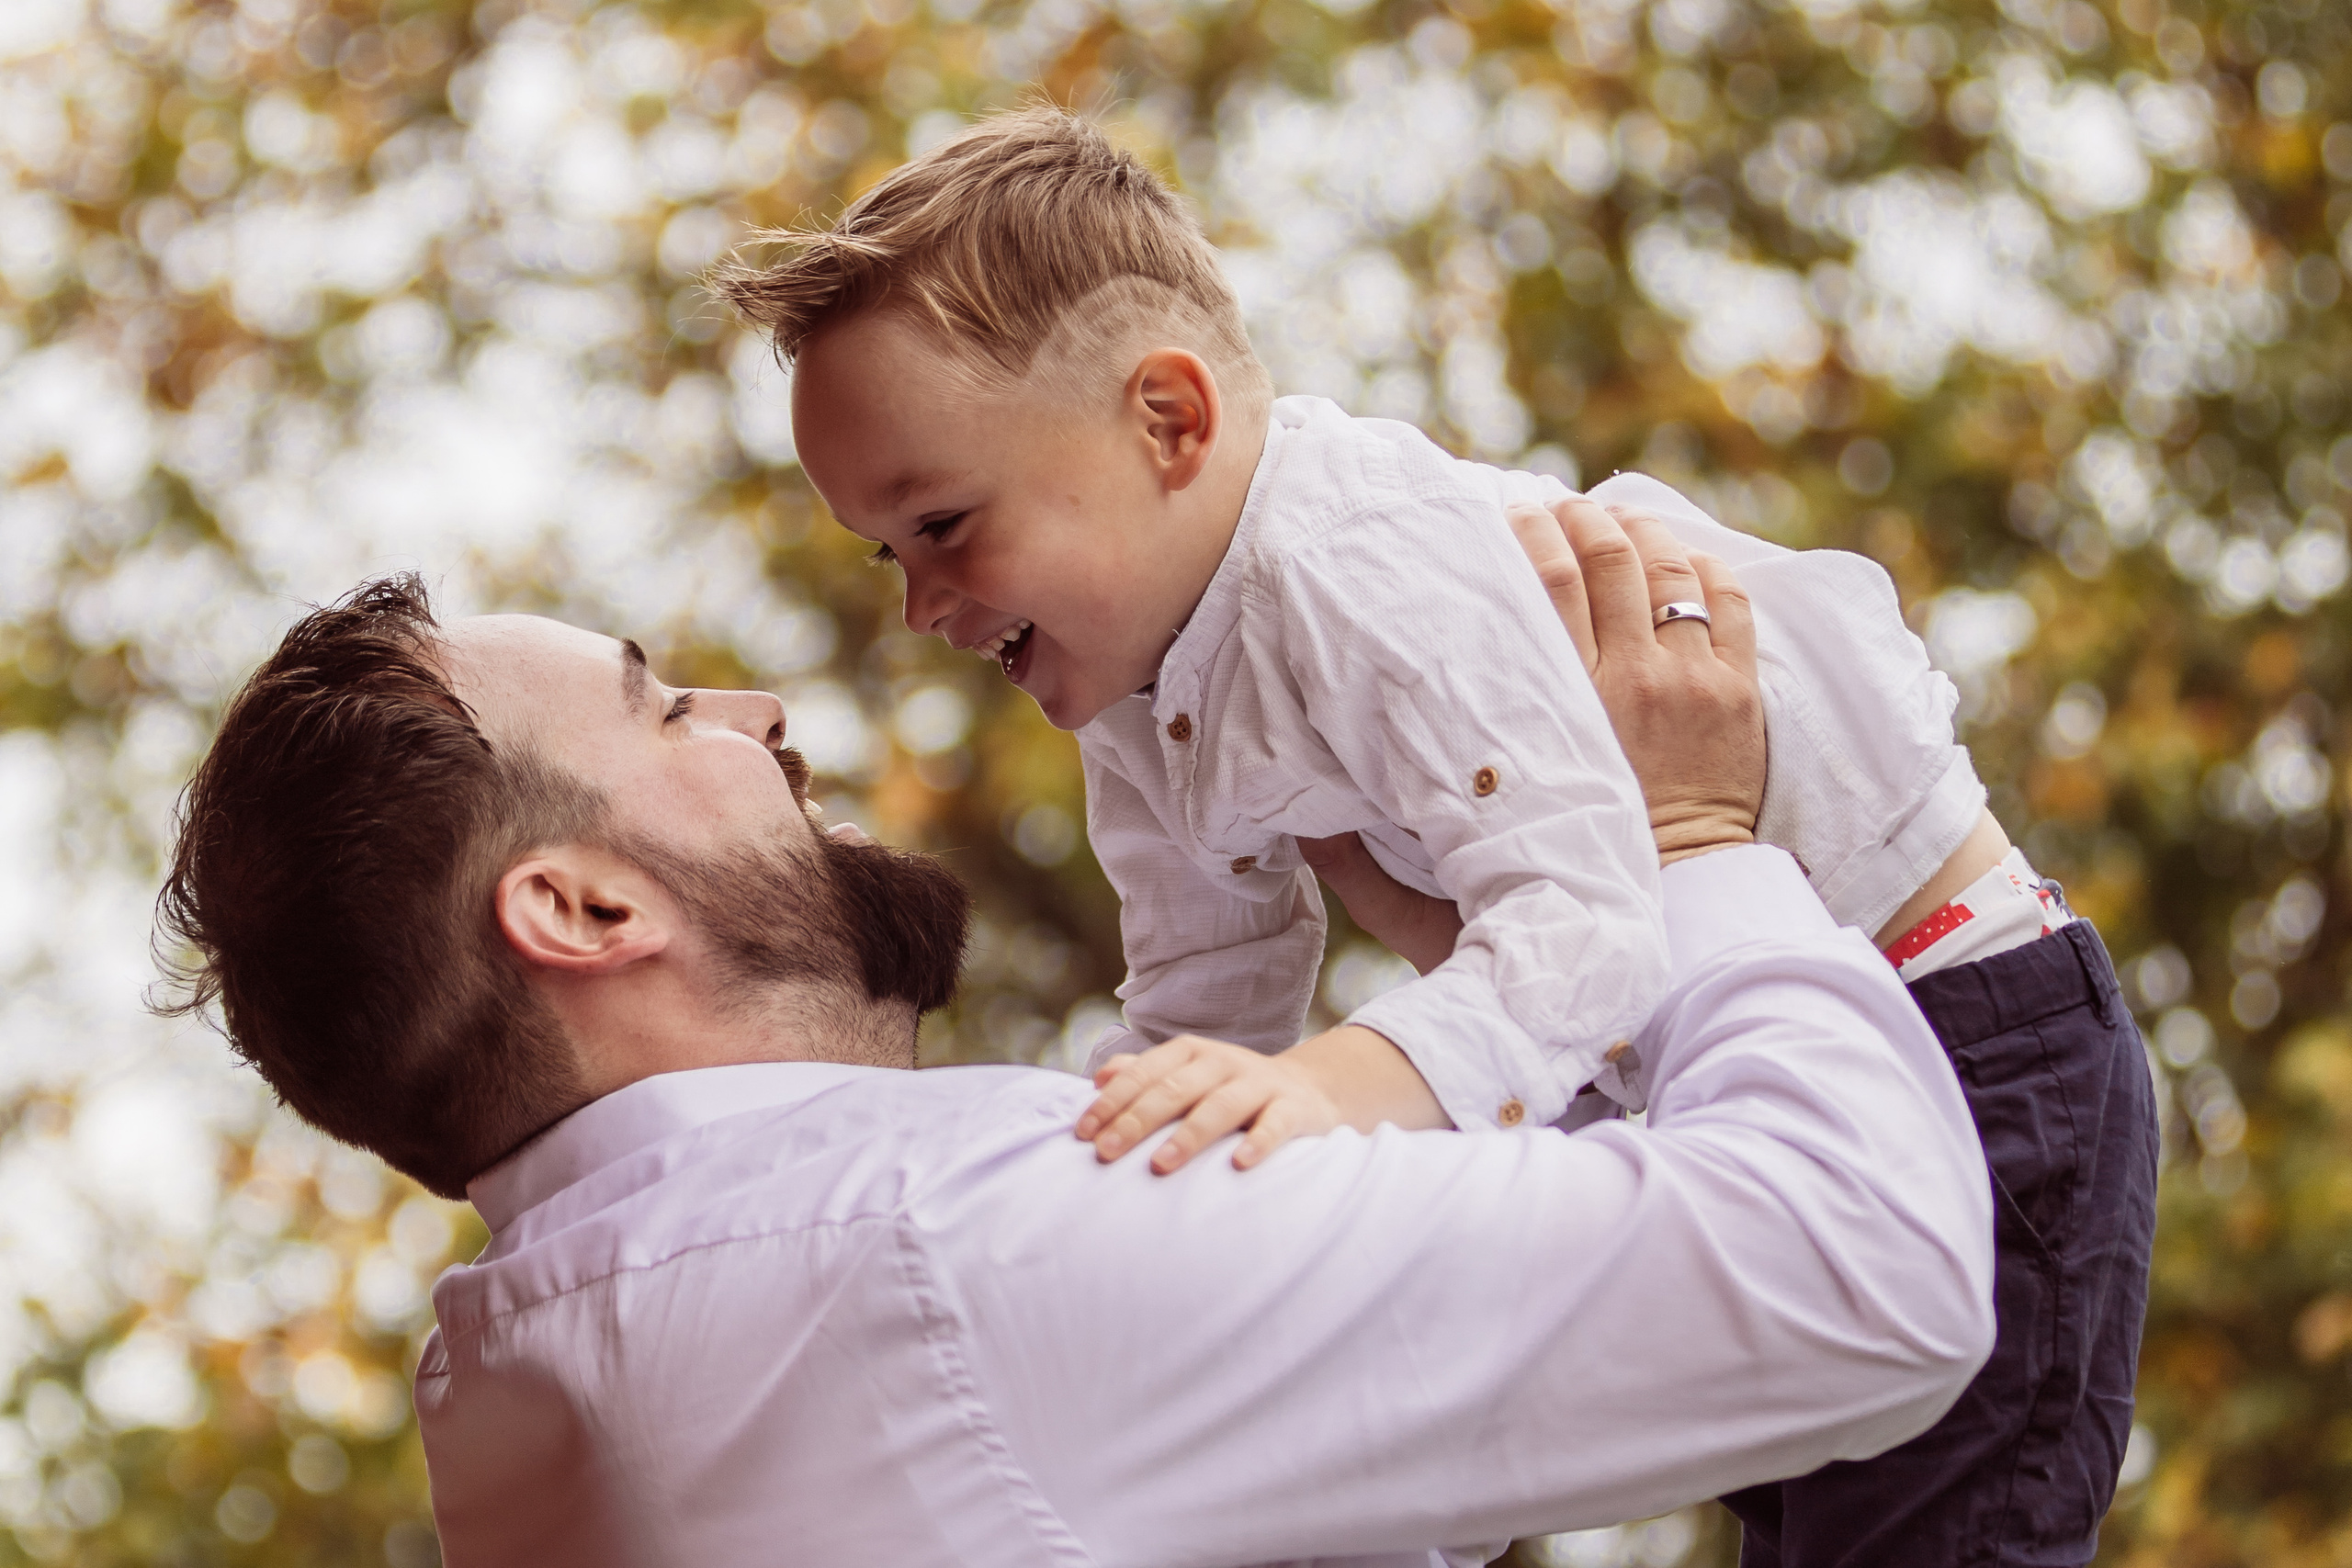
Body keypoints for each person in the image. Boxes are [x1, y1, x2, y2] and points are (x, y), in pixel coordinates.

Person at [719, 107, 2154, 1563]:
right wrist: (1122, 1192)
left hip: (1966, 1039)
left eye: (947, 524)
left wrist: (1344, 1086)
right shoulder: (1127, 683)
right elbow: (1207, 988)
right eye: (887, 554)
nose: (920, 609)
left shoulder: (1354, 562)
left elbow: (1587, 914)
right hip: (1710, 1061)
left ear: (1170, 422)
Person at [155, 505, 1994, 1566]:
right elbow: (1864, 1266)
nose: (767, 711)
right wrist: (1678, 843)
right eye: (667, 709)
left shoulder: (522, 1393)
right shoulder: (947, 1242)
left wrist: (1501, 1002)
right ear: (580, 909)